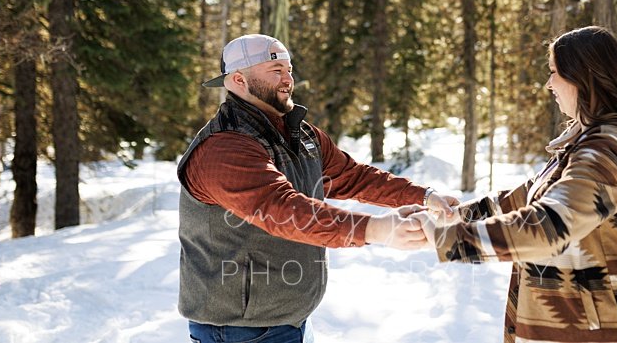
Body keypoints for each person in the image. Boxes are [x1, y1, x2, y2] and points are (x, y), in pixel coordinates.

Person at [177, 34, 459, 343]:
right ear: (239, 80)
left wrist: (424, 196)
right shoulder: (225, 147)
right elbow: (281, 209)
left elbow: (352, 176)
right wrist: (375, 229)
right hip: (239, 331)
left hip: (289, 321)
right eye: (275, 71)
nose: (288, 79)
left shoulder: (300, 133)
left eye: (289, 68)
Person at [417, 26, 617, 343]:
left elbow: (552, 224)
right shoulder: (589, 140)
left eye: (554, 73)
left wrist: (452, 240)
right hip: (583, 325)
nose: (548, 84)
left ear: (582, 77)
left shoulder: (610, 147)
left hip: (610, 328)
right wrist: (459, 214)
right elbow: (532, 195)